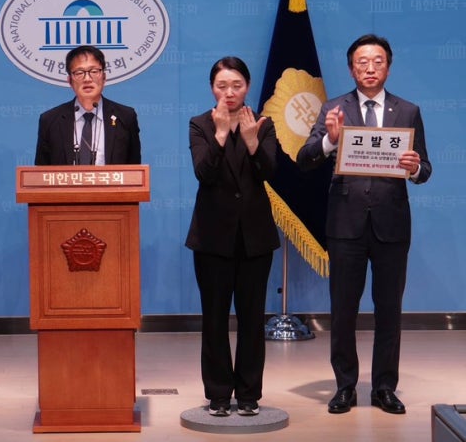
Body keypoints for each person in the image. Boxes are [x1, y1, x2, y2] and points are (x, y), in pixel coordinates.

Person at [297, 34, 432, 415]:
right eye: (362, 62)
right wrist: (329, 142)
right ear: (350, 68)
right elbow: (305, 159)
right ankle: (345, 386)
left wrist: (415, 168)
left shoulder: (408, 111)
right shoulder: (333, 108)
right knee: (343, 310)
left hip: (392, 225)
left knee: (389, 309)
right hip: (345, 225)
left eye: (377, 61)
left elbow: (425, 169)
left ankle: (385, 387)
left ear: (388, 66)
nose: (370, 68)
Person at [185, 56, 279, 417]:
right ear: (212, 88)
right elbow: (203, 173)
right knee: (214, 318)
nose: (229, 92)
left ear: (247, 87)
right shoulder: (200, 124)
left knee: (252, 318)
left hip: (255, 237)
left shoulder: (263, 125)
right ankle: (219, 394)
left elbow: (269, 173)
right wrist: (221, 135)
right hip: (212, 237)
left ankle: (250, 394)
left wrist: (253, 143)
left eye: (236, 85)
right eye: (222, 85)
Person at [34, 45, 141, 165]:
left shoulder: (126, 117)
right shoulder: (50, 120)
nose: (87, 79)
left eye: (94, 71)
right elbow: (41, 171)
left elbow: (135, 170)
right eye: (79, 73)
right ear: (69, 81)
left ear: (104, 77)